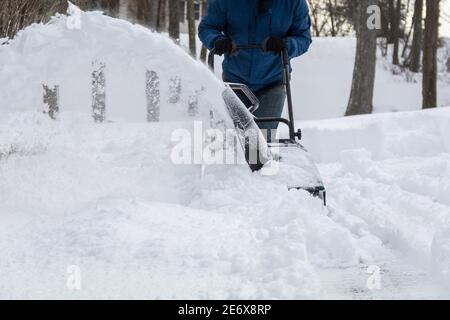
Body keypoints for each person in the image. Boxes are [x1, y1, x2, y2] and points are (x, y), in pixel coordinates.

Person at [198, 0, 312, 141]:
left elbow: (303, 38)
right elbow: (207, 27)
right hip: (235, 81)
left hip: (273, 81)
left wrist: (286, 45)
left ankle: (261, 161)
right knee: (235, 141)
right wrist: (217, 40)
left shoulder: (294, 3)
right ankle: (237, 161)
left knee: (260, 143)